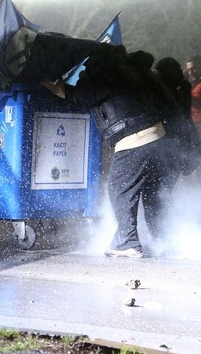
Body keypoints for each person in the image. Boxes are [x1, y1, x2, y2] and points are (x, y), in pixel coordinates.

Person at [45, 44, 170, 258]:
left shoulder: (104, 74)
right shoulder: (130, 69)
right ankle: (164, 238)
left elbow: (77, 98)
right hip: (157, 134)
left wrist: (50, 83)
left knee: (119, 189)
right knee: (150, 192)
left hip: (134, 137)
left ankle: (127, 242)